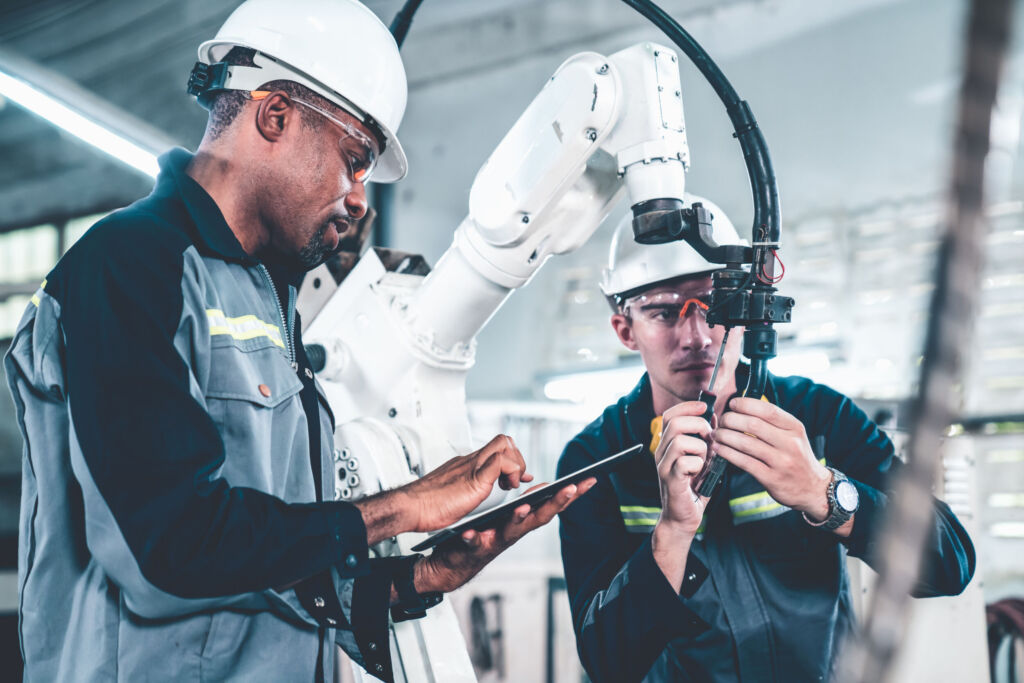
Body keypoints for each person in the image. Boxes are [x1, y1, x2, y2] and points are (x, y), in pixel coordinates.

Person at [4, 1, 593, 681]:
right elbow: (178, 540)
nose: (359, 198)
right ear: (275, 115)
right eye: (353, 159)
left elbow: (272, 574)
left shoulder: (270, 297)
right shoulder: (130, 266)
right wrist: (406, 502)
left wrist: (423, 574)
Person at [556, 198, 976, 682]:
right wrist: (671, 532)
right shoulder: (595, 460)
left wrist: (824, 493)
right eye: (664, 314)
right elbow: (608, 661)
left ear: (748, 310)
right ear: (626, 330)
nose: (695, 335)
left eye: (714, 306)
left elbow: (952, 563)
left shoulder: (819, 416)